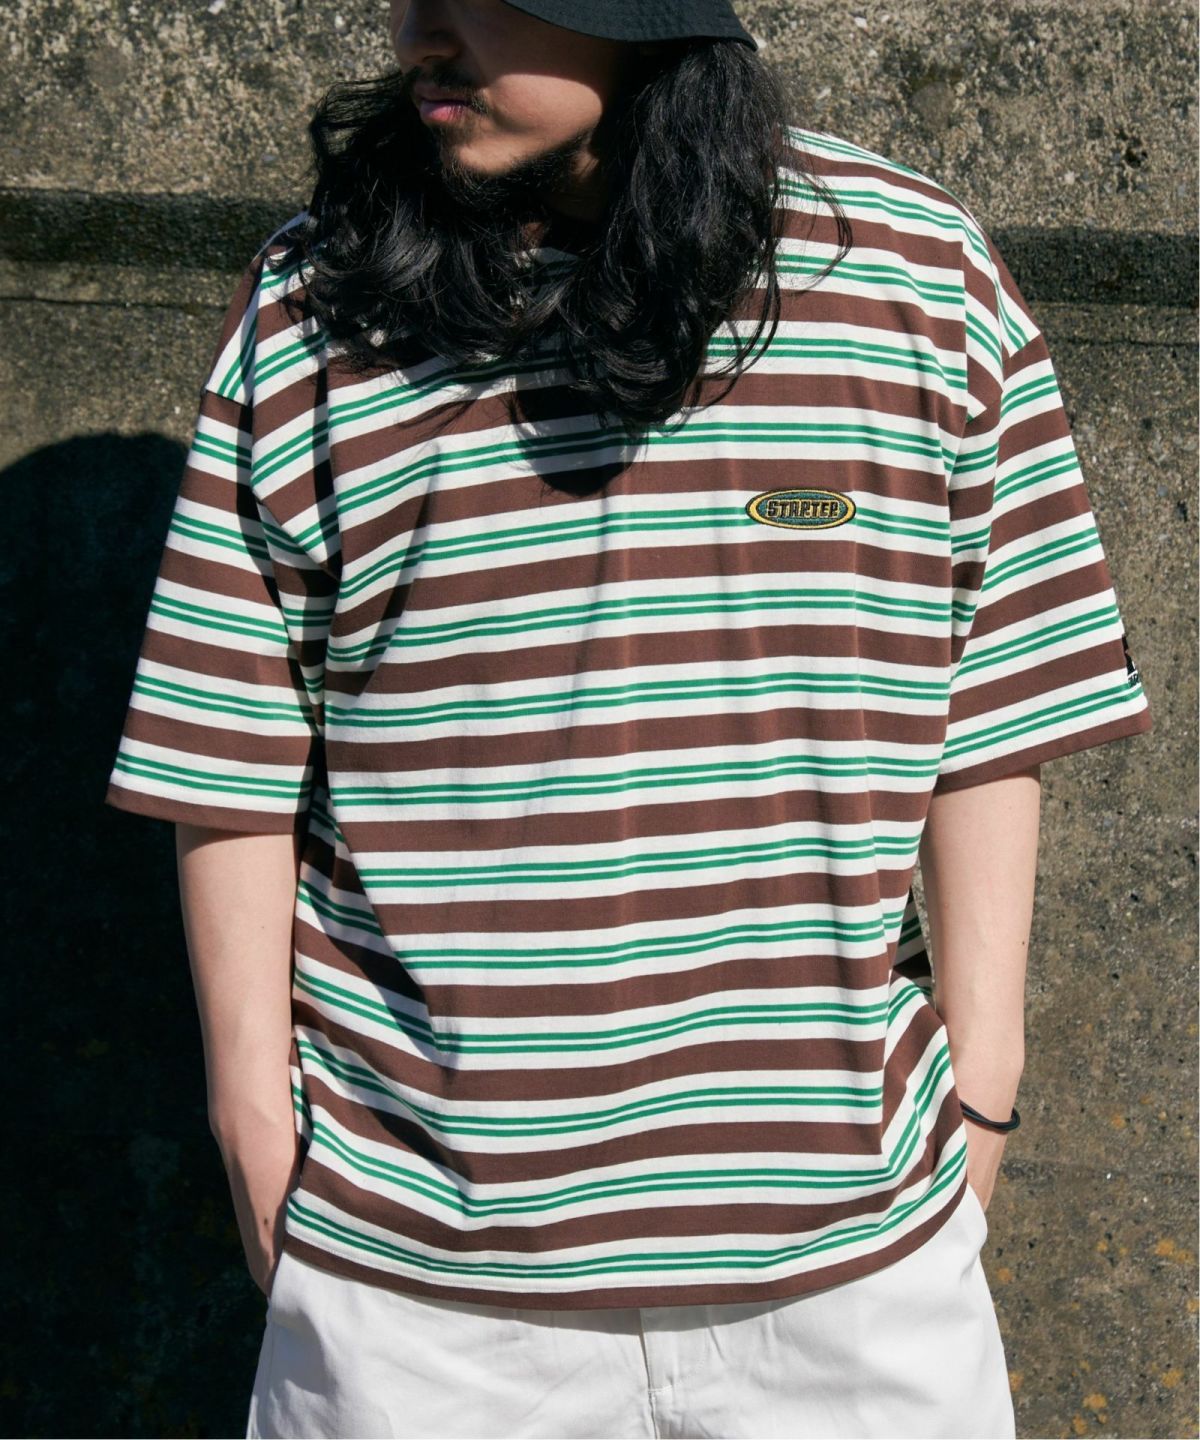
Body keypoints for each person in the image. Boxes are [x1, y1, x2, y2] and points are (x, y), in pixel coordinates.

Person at [103, 1, 1153, 1435]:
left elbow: (991, 704)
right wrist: (251, 1127)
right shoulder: (319, 302)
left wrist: (985, 1087)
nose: (418, 35)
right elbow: (227, 752)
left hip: (850, 1276)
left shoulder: (916, 278)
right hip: (420, 1300)